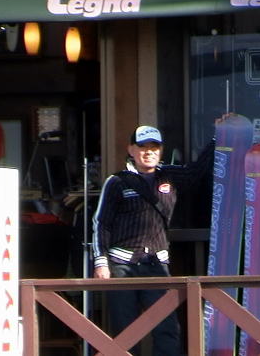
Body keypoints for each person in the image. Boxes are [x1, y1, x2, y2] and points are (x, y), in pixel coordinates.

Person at [92, 125, 214, 356]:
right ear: (131, 150)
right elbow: (101, 223)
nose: (148, 152)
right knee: (125, 332)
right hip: (121, 266)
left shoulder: (169, 175)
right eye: (142, 147)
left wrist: (219, 136)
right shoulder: (116, 181)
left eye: (154, 147)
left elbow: (196, 171)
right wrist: (101, 262)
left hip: (157, 264)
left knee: (167, 329)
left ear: (161, 150)